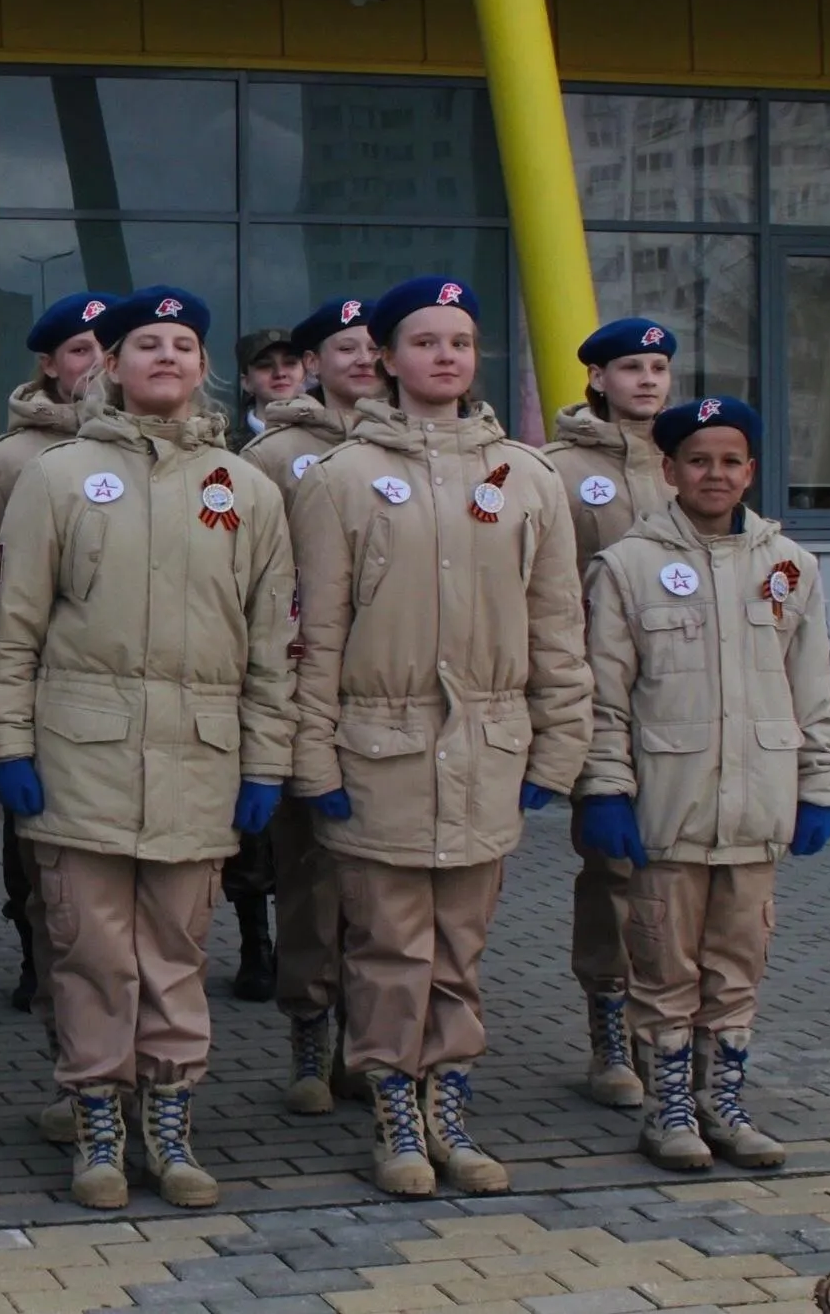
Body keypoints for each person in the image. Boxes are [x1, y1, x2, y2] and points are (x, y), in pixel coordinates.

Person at [0, 286, 298, 1212]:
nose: (166, 356)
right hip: (78, 756)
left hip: (199, 759)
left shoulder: (244, 489)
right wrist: (6, 744)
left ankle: (170, 1121)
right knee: (89, 954)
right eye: (145, 344)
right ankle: (96, 1125)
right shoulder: (59, 475)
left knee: (175, 953)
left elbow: (272, 643)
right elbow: (12, 630)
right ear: (109, 365)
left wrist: (265, 760)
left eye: (183, 345)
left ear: (203, 369)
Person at [289, 276, 590, 1198]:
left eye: (459, 339)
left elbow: (557, 627)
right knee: (387, 947)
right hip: (378, 746)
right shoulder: (338, 478)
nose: (445, 356)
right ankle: (392, 1113)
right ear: (383, 357)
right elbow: (314, 634)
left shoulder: (527, 477)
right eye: (423, 341)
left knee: (460, 947)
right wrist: (310, 753)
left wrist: (560, 747)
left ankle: (447, 1107)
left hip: (488, 747)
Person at [577, 396, 830, 1173]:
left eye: (730, 460)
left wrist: (819, 783)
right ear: (669, 470)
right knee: (664, 967)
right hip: (667, 808)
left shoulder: (788, 564)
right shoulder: (626, 565)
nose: (715, 473)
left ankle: (720, 1102)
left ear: (750, 470)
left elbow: (813, 688)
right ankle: (667, 1111)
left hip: (756, 806)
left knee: (736, 966)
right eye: (698, 460)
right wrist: (604, 788)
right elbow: (602, 693)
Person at [0, 290, 116, 1143]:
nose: (93, 361)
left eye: (107, 347)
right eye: (79, 349)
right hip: (43, 706)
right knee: (51, 894)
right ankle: (72, 1062)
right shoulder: (8, 463)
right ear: (50, 364)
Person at [238, 295, 380, 1116]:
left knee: (380, 891)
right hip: (303, 693)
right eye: (342, 347)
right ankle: (307, 1038)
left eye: (372, 347)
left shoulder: (418, 449)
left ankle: (371, 1044)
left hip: (391, 695)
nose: (360, 359)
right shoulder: (272, 455)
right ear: (313, 362)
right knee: (307, 881)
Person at [543, 317, 676, 1110]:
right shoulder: (555, 470)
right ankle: (608, 1034)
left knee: (683, 868)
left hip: (685, 697)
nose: (648, 380)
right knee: (612, 869)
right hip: (601, 695)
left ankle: (672, 1028)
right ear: (596, 377)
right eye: (631, 366)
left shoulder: (689, 459)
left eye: (658, 366)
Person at [236, 327, 304, 439]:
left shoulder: (326, 438)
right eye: (265, 365)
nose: (280, 373)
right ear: (246, 382)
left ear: (304, 373)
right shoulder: (226, 447)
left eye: (290, 363)